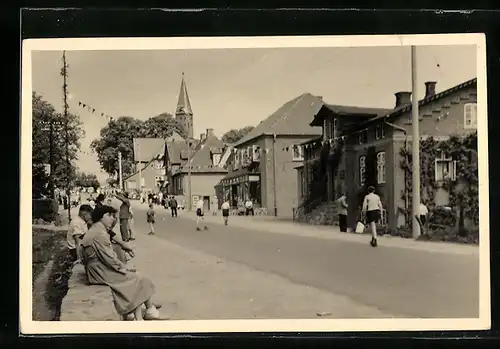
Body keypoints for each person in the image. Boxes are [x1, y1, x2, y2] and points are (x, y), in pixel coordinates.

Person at [80, 205, 162, 321]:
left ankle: (141, 313)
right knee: (136, 278)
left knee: (136, 278)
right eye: (108, 215)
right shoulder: (99, 234)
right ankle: (142, 314)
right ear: (100, 217)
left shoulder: (97, 230)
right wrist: (124, 268)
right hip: (100, 271)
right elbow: (110, 259)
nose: (112, 218)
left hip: (98, 269)